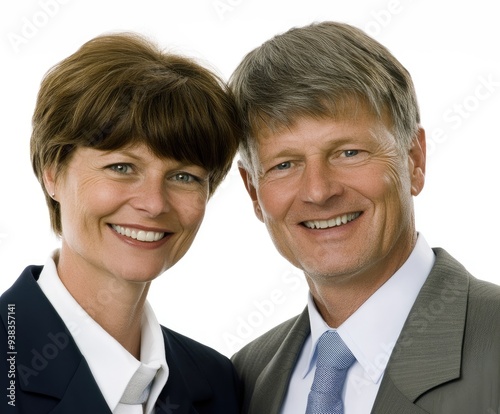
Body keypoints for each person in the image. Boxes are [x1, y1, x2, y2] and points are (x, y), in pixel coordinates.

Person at [229, 21, 500, 413]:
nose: (319, 191)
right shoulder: (245, 378)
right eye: (285, 164)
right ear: (253, 190)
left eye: (349, 153)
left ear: (414, 159)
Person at [0, 32, 242, 413]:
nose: (153, 203)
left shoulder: (217, 383)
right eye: (121, 167)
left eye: (184, 176)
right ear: (52, 173)